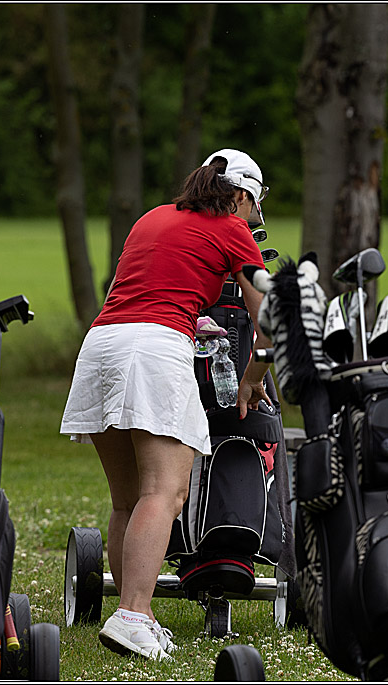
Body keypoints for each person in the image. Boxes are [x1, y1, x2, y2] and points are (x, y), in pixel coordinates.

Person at [60, 149, 274, 660]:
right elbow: (269, 320)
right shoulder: (231, 226)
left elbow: (145, 290)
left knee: (127, 499)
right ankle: (133, 613)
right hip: (154, 350)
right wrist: (252, 376)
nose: (252, 220)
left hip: (100, 346)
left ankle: (138, 614)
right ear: (241, 195)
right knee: (167, 490)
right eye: (253, 207)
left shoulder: (153, 218)